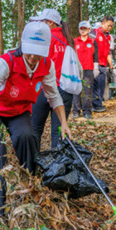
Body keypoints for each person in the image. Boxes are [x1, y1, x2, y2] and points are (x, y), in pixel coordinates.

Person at [0, 22, 72, 216]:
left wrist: (64, 123)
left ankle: (31, 184)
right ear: (22, 45)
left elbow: (54, 96)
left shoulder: (47, 65)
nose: (33, 57)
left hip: (19, 110)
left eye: (38, 52)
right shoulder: (7, 61)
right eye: (30, 51)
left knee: (27, 137)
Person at [29, 9, 75, 149]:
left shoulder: (46, 39)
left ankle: (32, 166)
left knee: (35, 128)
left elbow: (36, 63)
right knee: (59, 130)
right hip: (65, 91)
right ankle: (57, 167)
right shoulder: (69, 40)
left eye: (41, 22)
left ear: (50, 23)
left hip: (45, 88)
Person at [72, 21, 98, 120]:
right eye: (81, 28)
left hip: (88, 69)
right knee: (76, 90)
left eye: (85, 28)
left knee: (87, 91)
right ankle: (76, 111)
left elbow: (96, 55)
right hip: (76, 69)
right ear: (79, 29)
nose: (83, 30)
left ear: (88, 30)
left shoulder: (92, 41)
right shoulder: (74, 41)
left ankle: (87, 111)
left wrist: (96, 67)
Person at [92, 16, 115, 112]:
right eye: (108, 25)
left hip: (103, 64)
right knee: (95, 85)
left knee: (102, 85)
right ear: (102, 24)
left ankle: (98, 104)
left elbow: (108, 52)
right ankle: (94, 105)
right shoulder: (94, 33)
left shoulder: (109, 37)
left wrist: (111, 65)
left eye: (112, 26)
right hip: (94, 63)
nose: (110, 27)